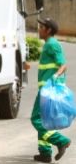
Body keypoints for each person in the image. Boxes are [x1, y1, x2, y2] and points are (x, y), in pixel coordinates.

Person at [31, 17, 71, 163]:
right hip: (46, 89)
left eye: (42, 27)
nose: (39, 29)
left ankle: (61, 141)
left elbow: (63, 65)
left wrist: (55, 77)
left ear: (48, 30)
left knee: (36, 119)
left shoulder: (52, 44)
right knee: (43, 120)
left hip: (47, 91)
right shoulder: (49, 44)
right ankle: (45, 153)